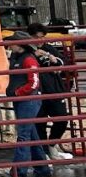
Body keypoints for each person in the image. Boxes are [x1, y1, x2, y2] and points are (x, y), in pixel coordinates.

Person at [4, 32, 52, 177]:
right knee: (31, 134)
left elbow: (33, 83)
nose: (10, 44)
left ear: (19, 44)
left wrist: (18, 92)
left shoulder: (28, 59)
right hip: (24, 99)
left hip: (28, 99)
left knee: (23, 135)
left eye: (12, 42)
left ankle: (19, 172)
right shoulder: (18, 58)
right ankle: (42, 169)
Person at [26, 23, 73, 160]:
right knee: (39, 123)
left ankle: (52, 145)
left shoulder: (49, 48)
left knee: (62, 118)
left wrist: (54, 60)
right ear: (30, 36)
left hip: (55, 90)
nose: (39, 40)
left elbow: (63, 62)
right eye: (36, 37)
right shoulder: (26, 51)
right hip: (37, 92)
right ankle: (44, 152)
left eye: (42, 37)